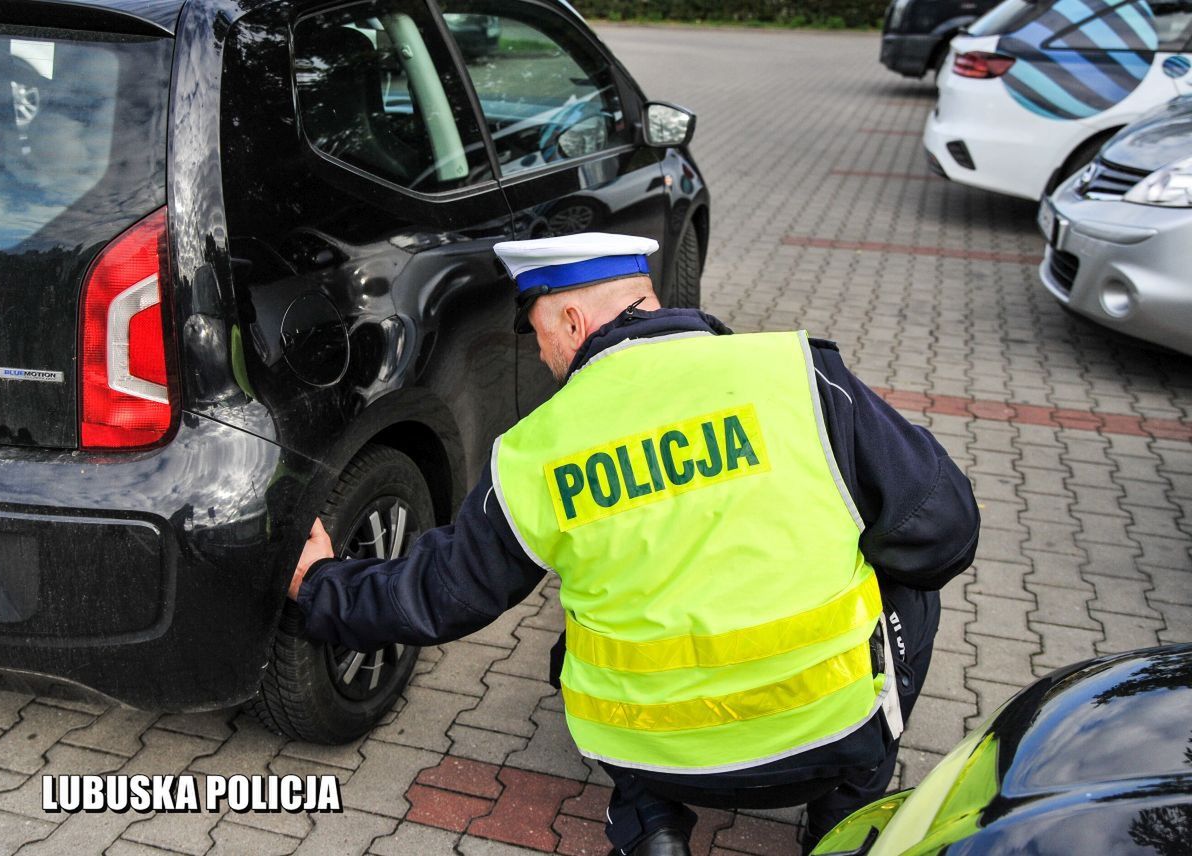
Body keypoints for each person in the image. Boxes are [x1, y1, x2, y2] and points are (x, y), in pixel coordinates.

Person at [288, 233, 980, 855]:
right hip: (826, 735)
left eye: (536, 333)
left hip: (651, 748)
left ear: (573, 320)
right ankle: (846, 816)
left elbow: (443, 595)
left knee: (578, 633)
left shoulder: (538, 448)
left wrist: (320, 583)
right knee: (910, 591)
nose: (540, 354)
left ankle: (653, 823)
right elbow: (947, 530)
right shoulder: (796, 374)